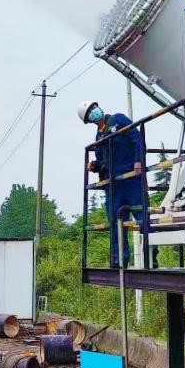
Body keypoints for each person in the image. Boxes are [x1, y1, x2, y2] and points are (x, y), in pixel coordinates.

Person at [78, 100, 145, 268]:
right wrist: (94, 166)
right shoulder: (98, 137)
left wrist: (138, 161)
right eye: (90, 113)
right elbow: (102, 161)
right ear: (88, 120)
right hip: (113, 184)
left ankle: (151, 255)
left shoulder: (118, 119)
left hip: (131, 177)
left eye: (93, 108)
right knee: (116, 223)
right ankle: (119, 259)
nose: (94, 111)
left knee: (142, 216)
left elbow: (137, 139)